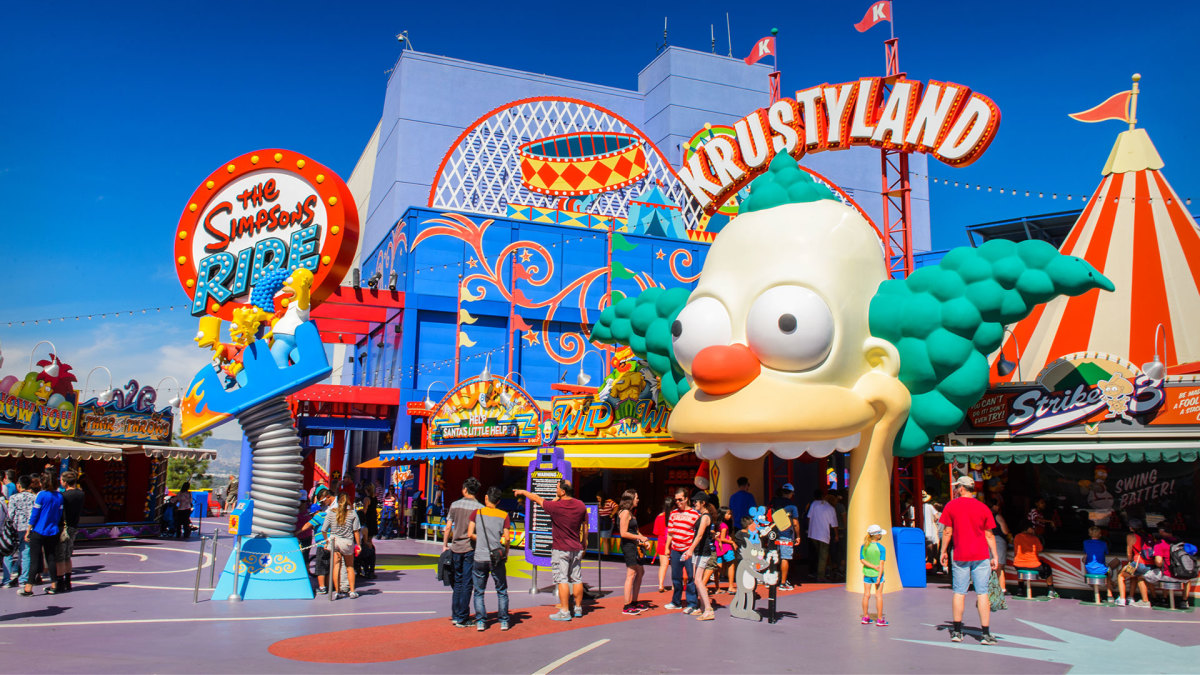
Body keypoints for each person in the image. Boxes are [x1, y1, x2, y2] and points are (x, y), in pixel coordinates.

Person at [939, 475, 999, 645]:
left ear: (962, 488)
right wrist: (995, 555)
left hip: (960, 555)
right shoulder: (983, 507)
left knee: (959, 592)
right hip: (981, 555)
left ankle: (957, 631)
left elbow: (947, 532)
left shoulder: (951, 506)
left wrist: (943, 551)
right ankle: (985, 633)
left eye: (957, 487)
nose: (956, 490)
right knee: (982, 592)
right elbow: (989, 534)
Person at [516, 479, 588, 621]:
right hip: (576, 547)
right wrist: (584, 542)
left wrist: (523, 492)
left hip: (561, 548)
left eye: (557, 488)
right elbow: (585, 525)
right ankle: (578, 608)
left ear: (563, 491)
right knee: (577, 578)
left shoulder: (555, 506)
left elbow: (536, 498)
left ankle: (565, 611)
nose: (556, 490)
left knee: (562, 579)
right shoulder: (580, 505)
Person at [468, 486, 512, 631]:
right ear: (498, 501)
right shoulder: (504, 515)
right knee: (501, 590)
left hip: (480, 557)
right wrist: (505, 553)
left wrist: (480, 538)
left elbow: (470, 534)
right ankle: (504, 620)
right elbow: (507, 538)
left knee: (479, 591)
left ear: (486, 498)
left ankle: (481, 621)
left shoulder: (477, 513)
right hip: (496, 557)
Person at [444, 478, 483, 627]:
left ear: (465, 489)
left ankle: (456, 615)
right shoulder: (479, 508)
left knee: (458, 581)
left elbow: (448, 527)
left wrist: (445, 545)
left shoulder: (455, 505)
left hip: (456, 547)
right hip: (470, 547)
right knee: (467, 582)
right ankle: (463, 616)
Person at [22, 473, 63, 596]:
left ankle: (28, 587)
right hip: (53, 530)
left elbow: (35, 514)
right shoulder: (59, 496)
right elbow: (59, 514)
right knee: (51, 558)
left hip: (39, 530)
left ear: (42, 483)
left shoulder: (41, 495)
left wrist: (29, 530)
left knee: (34, 559)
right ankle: (54, 585)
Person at [664, 487, 700, 614]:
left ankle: (692, 603)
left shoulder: (695, 514)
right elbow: (670, 532)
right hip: (675, 549)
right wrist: (667, 547)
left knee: (691, 577)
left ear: (686, 499)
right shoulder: (673, 513)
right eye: (676, 500)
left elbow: (698, 533)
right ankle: (676, 602)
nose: (678, 502)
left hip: (688, 550)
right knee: (676, 577)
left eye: (680, 499)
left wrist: (692, 549)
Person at [321, 493, 361, 599]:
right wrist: (358, 544)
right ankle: (352, 591)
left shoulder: (331, 513)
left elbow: (324, 529)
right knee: (349, 566)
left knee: (336, 566)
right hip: (347, 542)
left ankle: (337, 591)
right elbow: (356, 531)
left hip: (334, 541)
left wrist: (326, 540)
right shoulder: (352, 513)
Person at [615, 489, 649, 615]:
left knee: (640, 571)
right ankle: (626, 605)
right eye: (636, 498)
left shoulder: (630, 512)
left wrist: (643, 539)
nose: (638, 500)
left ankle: (634, 601)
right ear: (630, 499)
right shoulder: (624, 513)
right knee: (631, 573)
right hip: (629, 546)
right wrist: (639, 537)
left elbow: (635, 530)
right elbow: (623, 533)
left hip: (634, 545)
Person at [297, 488, 334, 593]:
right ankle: (328, 585)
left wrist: (296, 532)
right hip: (329, 544)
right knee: (328, 566)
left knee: (320, 567)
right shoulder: (326, 515)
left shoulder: (318, 516)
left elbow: (308, 525)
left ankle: (322, 587)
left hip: (322, 545)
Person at [687, 493, 716, 621]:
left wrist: (690, 549)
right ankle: (703, 607)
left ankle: (708, 609)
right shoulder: (702, 516)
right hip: (698, 550)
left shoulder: (705, 517)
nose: (694, 504)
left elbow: (699, 535)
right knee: (696, 580)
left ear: (703, 502)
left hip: (702, 551)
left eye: (696, 501)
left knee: (698, 580)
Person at [54, 471, 84, 593]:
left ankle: (60, 582)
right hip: (74, 525)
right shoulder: (81, 494)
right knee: (68, 555)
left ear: (65, 482)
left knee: (60, 556)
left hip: (64, 527)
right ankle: (68, 581)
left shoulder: (63, 496)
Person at [1013, 521, 1059, 598]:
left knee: (1021, 571)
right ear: (1028, 528)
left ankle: (1020, 590)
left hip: (1018, 565)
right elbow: (1040, 549)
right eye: (1032, 528)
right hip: (1033, 565)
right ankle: (1051, 590)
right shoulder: (1034, 538)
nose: (1033, 530)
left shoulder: (1017, 536)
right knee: (1048, 569)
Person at [770, 483, 801, 589]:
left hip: (773, 534)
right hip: (786, 534)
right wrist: (798, 536)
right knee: (785, 558)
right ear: (791, 493)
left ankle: (772, 579)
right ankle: (782, 583)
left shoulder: (774, 502)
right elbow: (795, 523)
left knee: (773, 556)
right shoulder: (792, 506)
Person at [6, 475, 34, 589]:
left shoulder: (14, 498)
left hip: (17, 527)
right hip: (30, 528)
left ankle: (15, 574)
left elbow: (10, 514)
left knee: (16, 552)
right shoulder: (33, 497)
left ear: (19, 485)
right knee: (26, 553)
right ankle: (24, 578)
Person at [1117, 519, 1152, 607]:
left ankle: (1122, 599)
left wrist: (1130, 562)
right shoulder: (1149, 536)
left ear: (1131, 528)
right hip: (1149, 565)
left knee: (1121, 575)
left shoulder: (1131, 536)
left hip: (1138, 564)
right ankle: (1131, 597)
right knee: (1136, 576)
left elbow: (1129, 553)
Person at [860, 524, 888, 627]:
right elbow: (881, 564)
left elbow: (862, 560)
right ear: (877, 535)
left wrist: (871, 567)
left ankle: (865, 617)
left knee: (866, 595)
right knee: (878, 596)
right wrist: (879, 576)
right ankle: (880, 619)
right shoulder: (881, 548)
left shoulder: (864, 546)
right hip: (877, 575)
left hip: (867, 574)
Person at [806, 491, 838, 581]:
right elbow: (834, 524)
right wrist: (836, 535)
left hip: (813, 533)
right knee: (823, 556)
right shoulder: (831, 509)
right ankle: (820, 576)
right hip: (824, 535)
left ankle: (813, 572)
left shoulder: (814, 504)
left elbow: (809, 517)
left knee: (816, 554)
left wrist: (809, 528)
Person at [706, 507, 736, 594]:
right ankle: (731, 586)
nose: (730, 516)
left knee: (717, 568)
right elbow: (722, 538)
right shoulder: (724, 526)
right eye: (728, 514)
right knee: (730, 565)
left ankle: (717, 587)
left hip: (717, 547)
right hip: (726, 547)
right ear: (723, 515)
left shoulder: (717, 524)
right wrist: (732, 542)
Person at [1083, 526, 1113, 603]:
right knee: (1109, 573)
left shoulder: (1085, 542)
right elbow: (1106, 552)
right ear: (1099, 534)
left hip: (1089, 569)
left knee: (1092, 577)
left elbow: (1085, 554)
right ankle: (1110, 595)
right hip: (1102, 570)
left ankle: (1097, 595)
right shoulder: (1103, 543)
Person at [988, 499, 1012, 595]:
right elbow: (1005, 531)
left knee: (989, 565)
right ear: (994, 506)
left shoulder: (984, 515)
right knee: (1000, 566)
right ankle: (1000, 588)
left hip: (986, 540)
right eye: (997, 505)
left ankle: (990, 587)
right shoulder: (997, 516)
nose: (999, 507)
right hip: (998, 541)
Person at [653, 496, 673, 593]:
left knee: (663, 565)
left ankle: (661, 584)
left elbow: (656, 531)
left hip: (662, 542)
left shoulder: (659, 516)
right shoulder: (674, 516)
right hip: (674, 542)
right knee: (675, 565)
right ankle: (674, 585)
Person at [922, 491, 943, 573]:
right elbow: (937, 516)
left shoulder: (915, 507)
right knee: (931, 547)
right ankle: (930, 564)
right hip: (930, 529)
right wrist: (933, 521)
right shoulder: (930, 506)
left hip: (920, 530)